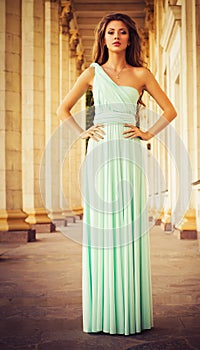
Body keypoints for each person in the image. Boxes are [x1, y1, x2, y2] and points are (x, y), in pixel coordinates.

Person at [57, 13, 177, 335]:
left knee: (129, 227)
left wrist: (147, 134)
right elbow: (62, 109)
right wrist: (83, 134)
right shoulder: (92, 73)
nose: (116, 37)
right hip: (99, 154)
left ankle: (130, 312)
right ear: (103, 37)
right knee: (102, 230)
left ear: (129, 38)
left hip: (129, 154)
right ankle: (104, 312)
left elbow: (170, 111)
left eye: (122, 32)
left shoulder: (141, 74)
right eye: (111, 32)